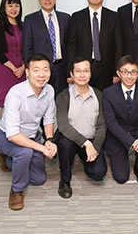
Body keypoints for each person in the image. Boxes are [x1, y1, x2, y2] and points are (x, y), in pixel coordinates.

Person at [0, 54, 57, 210]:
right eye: (36, 70)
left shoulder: (49, 90)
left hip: (32, 137)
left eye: (45, 70)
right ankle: (16, 190)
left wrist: (49, 140)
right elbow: (13, 134)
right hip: (7, 137)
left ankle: (9, 159)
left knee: (39, 179)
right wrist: (41, 148)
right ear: (27, 72)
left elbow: (48, 119)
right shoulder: (15, 94)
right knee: (25, 154)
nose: (41, 74)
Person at [55, 57, 107, 199]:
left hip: (90, 140)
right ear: (71, 74)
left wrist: (94, 147)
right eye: (78, 71)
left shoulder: (99, 95)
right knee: (64, 144)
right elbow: (63, 125)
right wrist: (86, 143)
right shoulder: (63, 96)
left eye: (86, 71)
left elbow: (102, 125)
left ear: (91, 74)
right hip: (71, 139)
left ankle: (84, 158)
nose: (82, 75)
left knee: (98, 173)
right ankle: (64, 180)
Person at [102, 55, 138, 185]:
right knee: (121, 177)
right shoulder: (108, 93)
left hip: (137, 129)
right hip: (116, 134)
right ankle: (122, 155)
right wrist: (133, 142)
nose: (129, 76)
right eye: (125, 72)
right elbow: (111, 123)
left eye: (133, 72)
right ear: (118, 73)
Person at [68, 0, 122, 90]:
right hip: (83, 69)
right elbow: (72, 46)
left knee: (105, 101)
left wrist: (117, 71)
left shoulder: (114, 17)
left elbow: (119, 46)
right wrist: (71, 71)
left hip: (107, 68)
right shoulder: (77, 17)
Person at [22, 0, 70, 95]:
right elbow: (27, 47)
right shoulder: (30, 20)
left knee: (61, 103)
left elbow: (70, 46)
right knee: (40, 102)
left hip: (61, 69)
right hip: (40, 71)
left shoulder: (66, 18)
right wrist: (31, 71)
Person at [0, 0, 26, 119]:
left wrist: (23, 67)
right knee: (6, 104)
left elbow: (28, 49)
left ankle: (20, 135)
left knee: (21, 104)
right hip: (4, 69)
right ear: (4, 7)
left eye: (17, 5)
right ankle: (5, 135)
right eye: (10, 5)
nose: (14, 8)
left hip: (21, 69)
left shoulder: (24, 26)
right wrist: (13, 68)